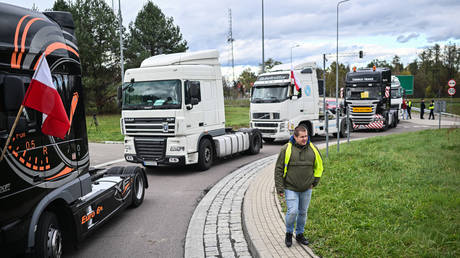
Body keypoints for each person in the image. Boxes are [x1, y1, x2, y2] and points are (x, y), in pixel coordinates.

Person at [274, 125, 324, 248]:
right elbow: (279, 169)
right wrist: (279, 188)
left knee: (303, 213)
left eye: (306, 136)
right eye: (301, 137)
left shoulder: (313, 149)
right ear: (295, 137)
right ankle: (289, 233)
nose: (304, 139)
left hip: (307, 188)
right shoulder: (286, 149)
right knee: (292, 212)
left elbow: (319, 167)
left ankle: (300, 234)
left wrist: (314, 182)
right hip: (290, 188)